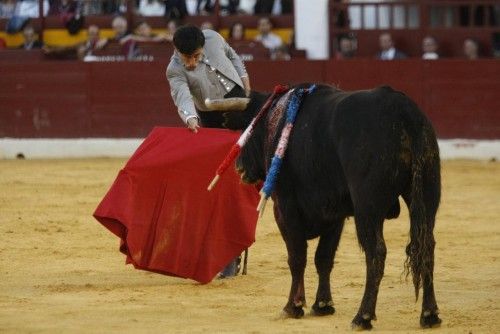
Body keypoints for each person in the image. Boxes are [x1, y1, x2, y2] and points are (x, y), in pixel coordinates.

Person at [166, 25, 251, 277]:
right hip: (211, 119)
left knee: (247, 177)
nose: (191, 63)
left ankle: (238, 241)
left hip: (240, 105)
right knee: (223, 180)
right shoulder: (174, 70)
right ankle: (229, 250)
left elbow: (233, 55)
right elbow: (182, 96)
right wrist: (190, 118)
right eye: (186, 58)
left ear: (203, 46)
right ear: (176, 51)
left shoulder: (213, 38)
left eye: (195, 56)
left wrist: (245, 80)